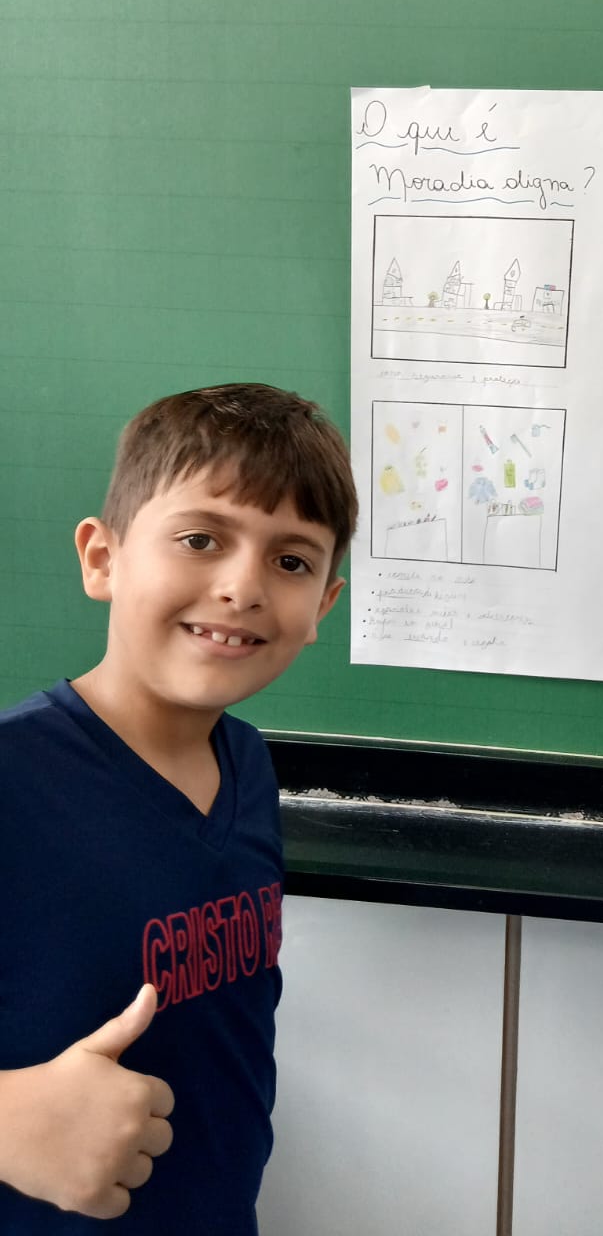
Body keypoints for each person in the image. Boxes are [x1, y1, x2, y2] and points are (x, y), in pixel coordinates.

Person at [0, 384, 357, 1232]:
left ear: (323, 607)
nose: (242, 586)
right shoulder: (14, 780)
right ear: (103, 559)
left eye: (292, 561)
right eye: (201, 539)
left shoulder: (248, 765)